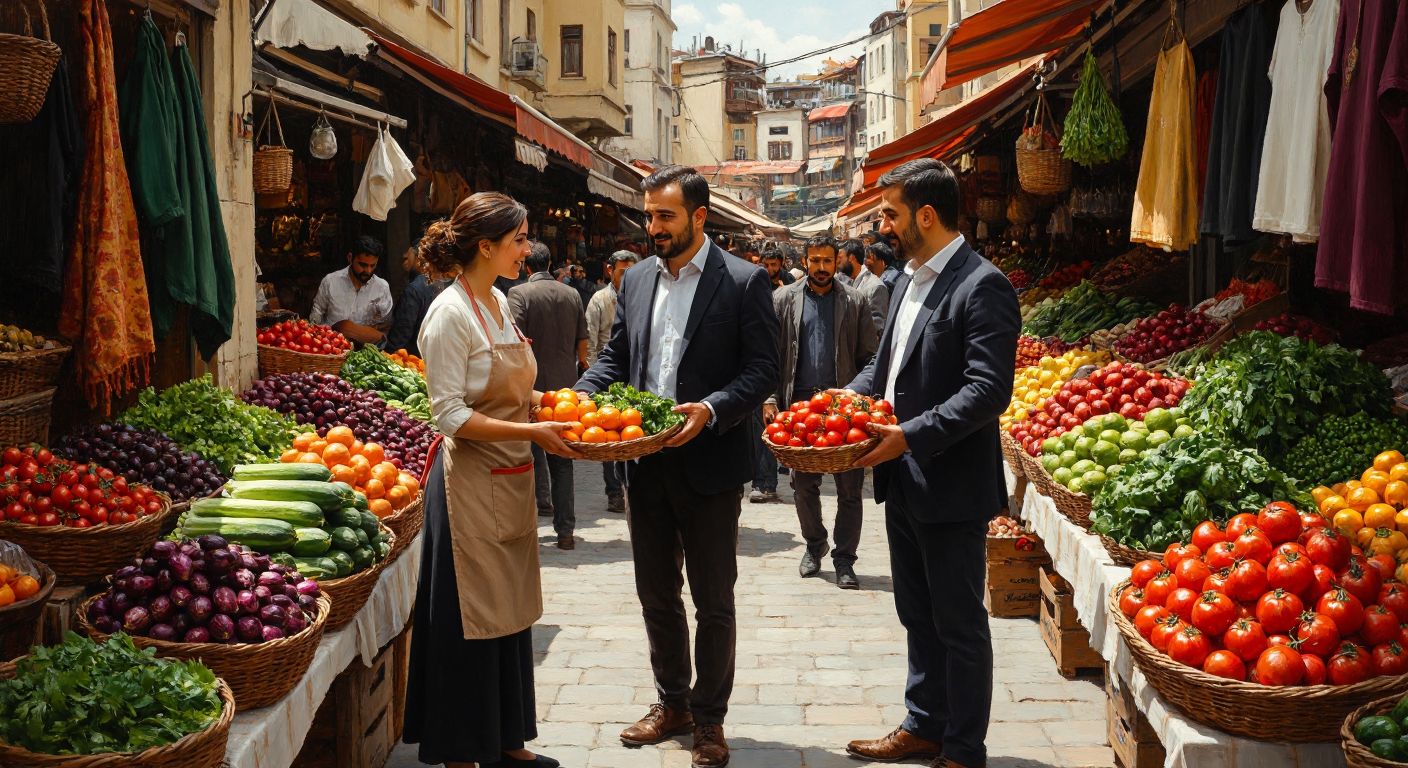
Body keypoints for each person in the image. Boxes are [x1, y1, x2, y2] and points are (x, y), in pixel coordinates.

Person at [576, 165, 779, 768]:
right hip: (645, 464)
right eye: (648, 216)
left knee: (713, 599)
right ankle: (673, 704)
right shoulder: (635, 280)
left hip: (712, 465)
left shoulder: (743, 282)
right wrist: (579, 396)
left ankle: (710, 720)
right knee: (655, 594)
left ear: (699, 216)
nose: (652, 227)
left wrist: (713, 409)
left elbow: (765, 369)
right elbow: (617, 355)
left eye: (665, 216)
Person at [841, 159, 1019, 768]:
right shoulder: (906, 280)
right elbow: (887, 365)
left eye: (889, 213)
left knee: (959, 625)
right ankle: (924, 724)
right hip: (904, 480)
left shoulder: (982, 285)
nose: (882, 224)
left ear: (925, 214)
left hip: (949, 481)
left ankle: (964, 749)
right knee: (917, 612)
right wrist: (852, 393)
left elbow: (987, 391)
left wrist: (910, 435)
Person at [404, 192, 579, 768]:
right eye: (519, 240)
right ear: (485, 247)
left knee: (508, 611)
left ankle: (507, 740)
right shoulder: (448, 315)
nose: (526, 250)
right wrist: (533, 434)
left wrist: (543, 403)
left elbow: (507, 388)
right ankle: (461, 751)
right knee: (468, 618)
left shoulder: (500, 302)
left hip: (509, 477)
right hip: (467, 489)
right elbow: (448, 414)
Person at [767, 236, 878, 589]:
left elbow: (871, 358)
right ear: (805, 260)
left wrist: (854, 394)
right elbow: (767, 357)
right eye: (814, 261)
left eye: (827, 261)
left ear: (838, 261)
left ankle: (845, 558)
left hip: (844, 412)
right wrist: (770, 398)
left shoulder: (855, 301)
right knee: (803, 487)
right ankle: (814, 545)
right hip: (798, 412)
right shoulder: (783, 299)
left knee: (850, 490)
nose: (820, 268)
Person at [509, 242, 589, 550]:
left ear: (528, 266)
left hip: (530, 388)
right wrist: (581, 367)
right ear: (550, 263)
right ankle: (566, 531)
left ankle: (540, 507)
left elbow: (514, 341)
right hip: (565, 387)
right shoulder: (571, 294)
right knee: (562, 458)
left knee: (530, 450)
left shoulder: (518, 294)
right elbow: (583, 340)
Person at [586, 250, 639, 514]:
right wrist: (594, 378)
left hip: (635, 380)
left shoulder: (641, 296)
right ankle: (613, 491)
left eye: (631, 270)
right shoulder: (599, 300)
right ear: (610, 270)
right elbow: (591, 341)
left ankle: (631, 485)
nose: (627, 276)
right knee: (608, 435)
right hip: (608, 379)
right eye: (622, 271)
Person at [309, 235, 394, 344]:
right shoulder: (330, 281)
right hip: (330, 346)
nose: (368, 271)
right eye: (363, 265)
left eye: (372, 265)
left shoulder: (382, 287)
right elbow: (317, 312)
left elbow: (385, 324)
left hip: (365, 351)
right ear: (350, 258)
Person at [387, 244, 452, 356]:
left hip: (415, 361)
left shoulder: (415, 290)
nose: (404, 256)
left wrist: (388, 354)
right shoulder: (452, 285)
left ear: (420, 258)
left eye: (410, 253)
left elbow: (400, 337)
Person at [840, 238, 890, 334]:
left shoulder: (875, 286)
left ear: (851, 258)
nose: (837, 262)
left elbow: (876, 327)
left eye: (840, 257)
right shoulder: (848, 282)